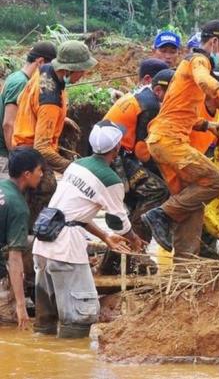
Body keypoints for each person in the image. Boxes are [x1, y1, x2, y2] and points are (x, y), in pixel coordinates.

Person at [142, 20, 219, 259]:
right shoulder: (198, 60)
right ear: (214, 42)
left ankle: (185, 265)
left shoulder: (188, 68)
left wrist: (206, 124)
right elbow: (204, 79)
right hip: (169, 141)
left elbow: (179, 111)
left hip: (163, 139)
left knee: (192, 203)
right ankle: (161, 214)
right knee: (216, 180)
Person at [32, 120, 144, 338]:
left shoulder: (77, 165)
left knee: (45, 324)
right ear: (117, 148)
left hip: (43, 244)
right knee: (79, 319)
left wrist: (104, 236)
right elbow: (118, 223)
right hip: (66, 250)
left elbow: (73, 214)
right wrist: (134, 238)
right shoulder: (110, 179)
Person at [11, 40, 97, 226]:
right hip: (31, 154)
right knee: (49, 192)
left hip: (23, 143)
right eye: (81, 71)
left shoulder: (45, 71)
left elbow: (22, 99)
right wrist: (73, 169)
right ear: (68, 70)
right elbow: (41, 147)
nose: (83, 75)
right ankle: (34, 237)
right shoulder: (49, 100)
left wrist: (60, 119)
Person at [104, 67, 174, 241]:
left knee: (139, 198)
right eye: (172, 95)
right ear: (158, 90)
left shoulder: (144, 94)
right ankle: (138, 243)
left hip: (111, 149)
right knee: (157, 190)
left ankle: (123, 250)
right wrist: (164, 173)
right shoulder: (150, 106)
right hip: (115, 156)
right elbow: (142, 151)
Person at [0, 147, 44, 328]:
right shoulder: (18, 207)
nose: (41, 175)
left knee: (31, 242)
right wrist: (20, 304)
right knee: (11, 325)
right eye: (39, 170)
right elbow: (15, 257)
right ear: (27, 174)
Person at [0, 42, 57, 178]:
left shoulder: (16, 77)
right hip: (6, 157)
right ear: (40, 62)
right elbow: (9, 124)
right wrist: (17, 159)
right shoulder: (21, 83)